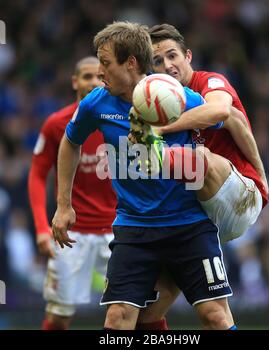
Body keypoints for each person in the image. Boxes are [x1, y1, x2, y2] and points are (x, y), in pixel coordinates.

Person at [51, 21, 237, 330]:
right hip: (134, 230)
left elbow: (221, 118)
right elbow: (70, 141)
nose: (100, 72)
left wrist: (250, 173)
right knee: (117, 319)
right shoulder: (96, 103)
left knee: (215, 317)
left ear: (131, 63)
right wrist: (63, 205)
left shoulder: (175, 96)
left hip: (189, 226)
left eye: (106, 63)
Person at [130, 23, 269, 328]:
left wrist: (160, 130)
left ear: (188, 56)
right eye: (158, 60)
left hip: (238, 195)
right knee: (147, 315)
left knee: (198, 158)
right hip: (197, 218)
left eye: (172, 56)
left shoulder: (210, 82)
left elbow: (222, 113)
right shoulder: (153, 101)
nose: (167, 65)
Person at [28, 56, 117, 330]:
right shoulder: (56, 124)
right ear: (74, 81)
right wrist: (42, 227)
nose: (93, 82)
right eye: (87, 76)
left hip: (118, 231)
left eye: (99, 77)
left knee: (133, 310)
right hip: (70, 235)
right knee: (58, 316)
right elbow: (37, 175)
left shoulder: (121, 118)